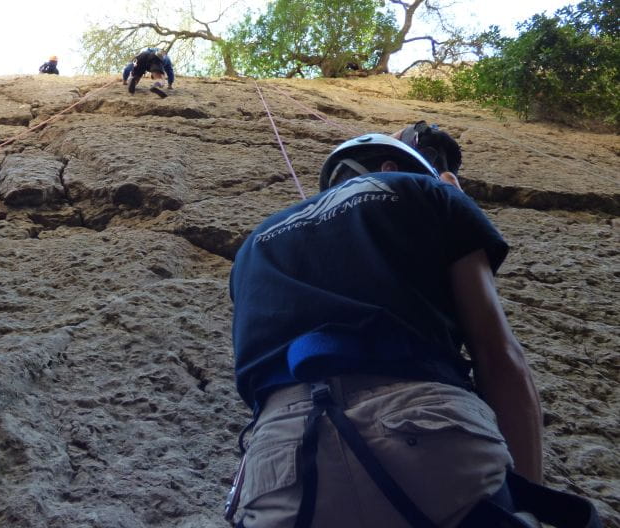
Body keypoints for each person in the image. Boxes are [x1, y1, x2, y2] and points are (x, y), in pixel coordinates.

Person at [226, 123, 549, 528]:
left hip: (281, 457)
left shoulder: (255, 243)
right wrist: (531, 501)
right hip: (426, 424)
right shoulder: (428, 192)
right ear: (392, 165)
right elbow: (498, 355)